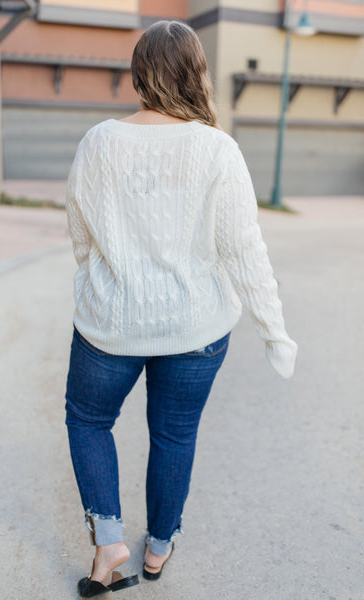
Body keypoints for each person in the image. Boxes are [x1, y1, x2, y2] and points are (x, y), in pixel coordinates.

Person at [64, 19, 298, 597]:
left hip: (109, 326)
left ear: (139, 72)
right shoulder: (217, 148)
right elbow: (244, 250)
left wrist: (108, 272)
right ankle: (159, 548)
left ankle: (109, 540)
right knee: (174, 436)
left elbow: (79, 233)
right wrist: (275, 333)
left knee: (89, 420)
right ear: (197, 72)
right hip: (195, 327)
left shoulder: (100, 140)